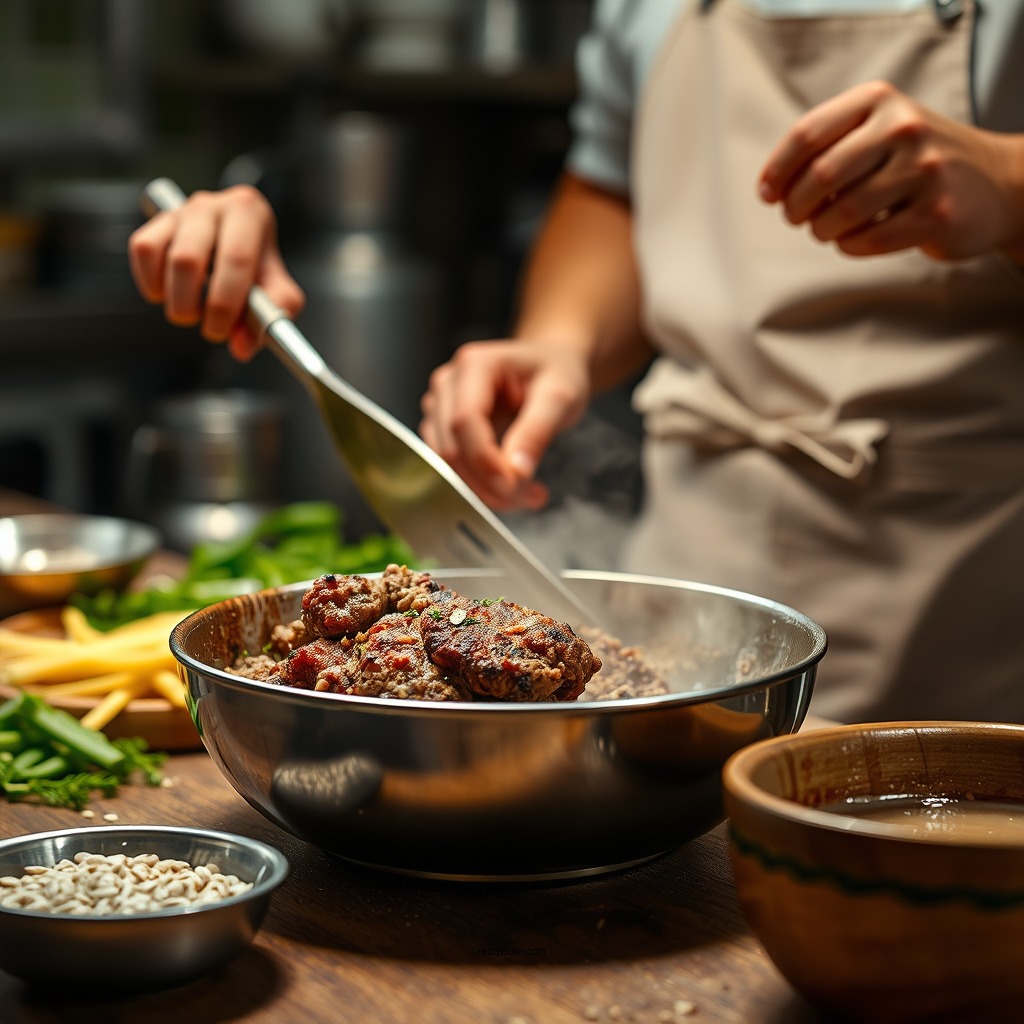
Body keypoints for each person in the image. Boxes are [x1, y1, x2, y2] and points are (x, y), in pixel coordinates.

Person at [129, 0, 1024, 725]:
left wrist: (1008, 180)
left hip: (961, 587)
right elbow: (613, 188)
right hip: (693, 579)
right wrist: (560, 343)